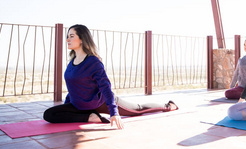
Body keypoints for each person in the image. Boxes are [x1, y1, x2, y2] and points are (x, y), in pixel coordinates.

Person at [43, 24, 178, 130]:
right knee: (49, 114)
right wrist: (67, 106)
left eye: (71, 36)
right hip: (79, 106)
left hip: (101, 103)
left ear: (82, 39)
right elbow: (73, 88)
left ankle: (167, 106)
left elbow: (105, 87)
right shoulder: (72, 62)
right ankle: (90, 117)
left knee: (138, 109)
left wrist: (114, 112)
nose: (68, 39)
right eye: (68, 36)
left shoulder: (93, 62)